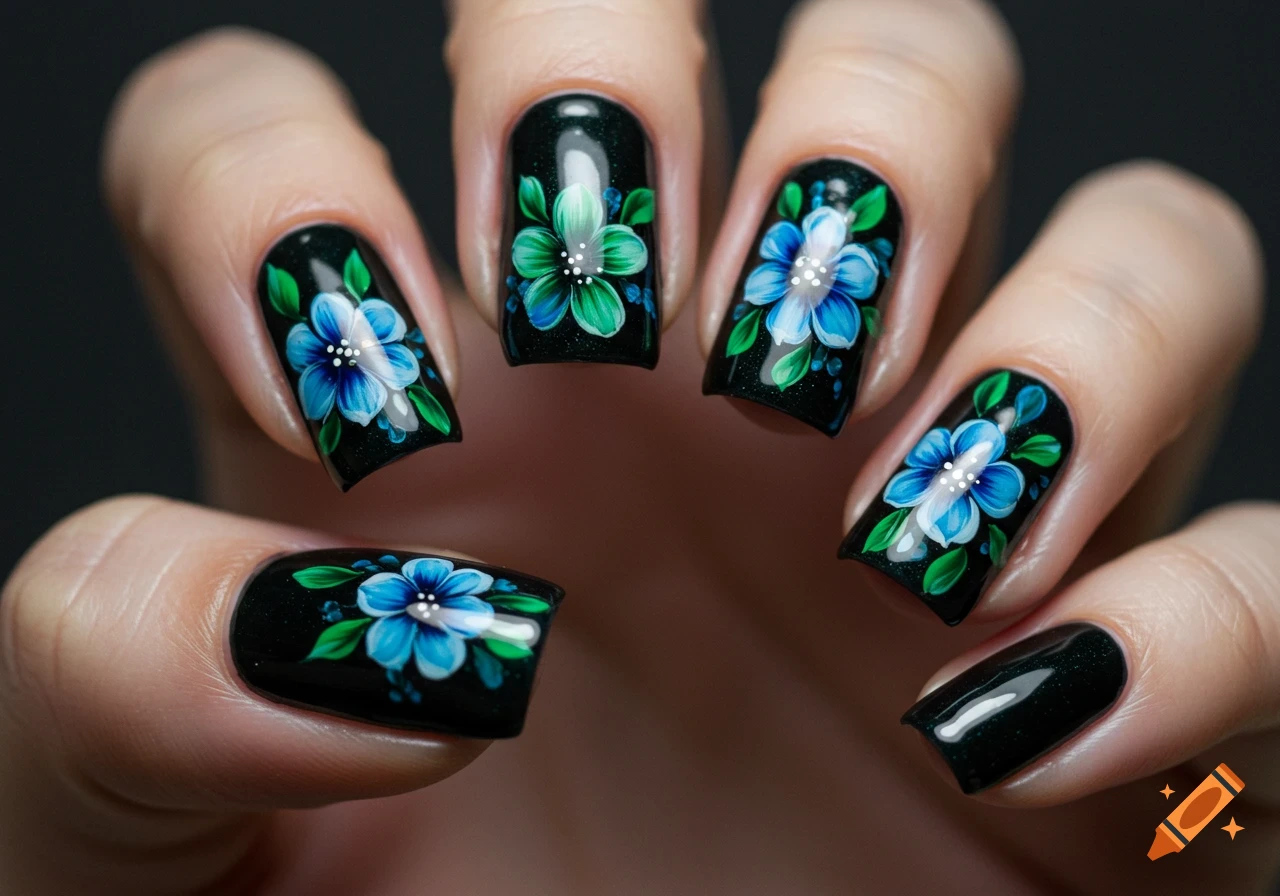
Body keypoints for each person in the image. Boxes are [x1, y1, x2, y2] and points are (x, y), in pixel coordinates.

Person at [3, 1, 1277, 892]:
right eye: (1191, 821)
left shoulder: (1164, 842)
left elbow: (1189, 830)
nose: (1188, 823)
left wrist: (1195, 845)